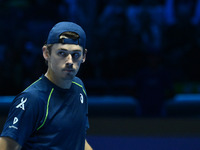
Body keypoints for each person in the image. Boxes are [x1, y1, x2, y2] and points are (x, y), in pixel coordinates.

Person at [0, 21, 93, 150]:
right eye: (62, 53)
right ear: (46, 53)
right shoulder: (32, 99)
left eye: (76, 54)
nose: (70, 61)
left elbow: (78, 140)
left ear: (84, 56)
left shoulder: (79, 87)